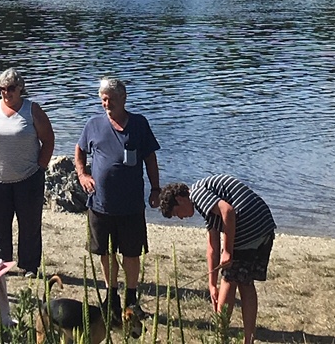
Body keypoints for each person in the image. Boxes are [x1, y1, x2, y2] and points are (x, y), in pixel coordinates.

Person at [74, 76, 161, 314]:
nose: (107, 103)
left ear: (124, 98)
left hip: (131, 205)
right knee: (105, 252)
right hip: (100, 204)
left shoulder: (139, 124)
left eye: (111, 99)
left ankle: (131, 299)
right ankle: (111, 297)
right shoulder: (93, 124)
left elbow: (150, 158)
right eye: (103, 99)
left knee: (132, 253)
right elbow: (80, 149)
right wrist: (82, 174)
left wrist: (155, 189)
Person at [155, 175, 276, 344]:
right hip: (264, 227)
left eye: (176, 213)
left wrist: (227, 251)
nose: (181, 218)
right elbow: (212, 247)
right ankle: (248, 339)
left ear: (180, 199)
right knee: (245, 283)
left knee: (229, 278)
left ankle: (221, 335)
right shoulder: (206, 207)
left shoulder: (197, 194)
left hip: (250, 227)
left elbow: (228, 211)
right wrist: (211, 285)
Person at [0, 67, 54, 275]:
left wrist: (41, 166)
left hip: (28, 178)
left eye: (10, 89)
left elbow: (48, 139)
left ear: (20, 88)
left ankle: (29, 266)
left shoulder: (32, 110)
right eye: (1, 89)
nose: (6, 93)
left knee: (29, 224)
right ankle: (1, 264)